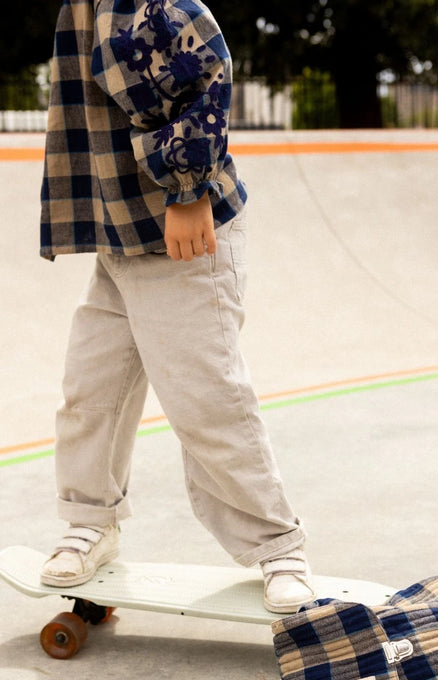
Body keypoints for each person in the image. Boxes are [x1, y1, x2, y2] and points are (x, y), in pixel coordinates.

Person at [38, 0, 313, 613]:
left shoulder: (147, 3)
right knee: (92, 388)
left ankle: (277, 546)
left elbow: (210, 70)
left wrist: (189, 192)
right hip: (122, 238)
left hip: (183, 235)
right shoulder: (80, 10)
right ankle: (92, 522)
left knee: (205, 397)